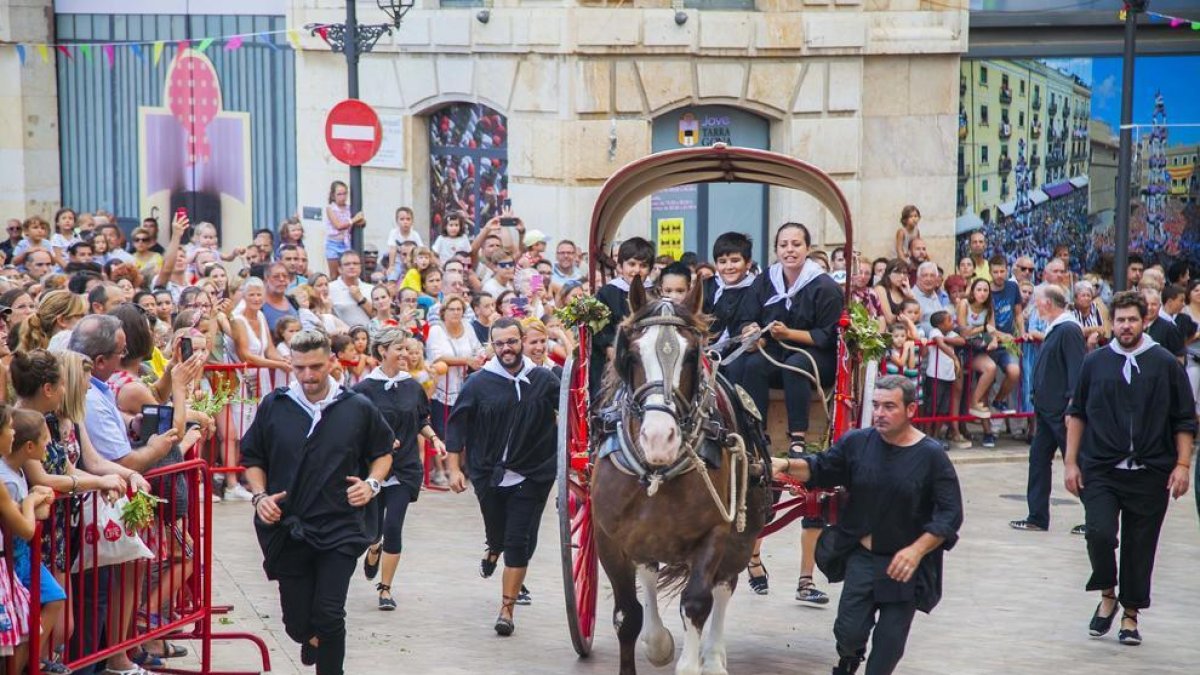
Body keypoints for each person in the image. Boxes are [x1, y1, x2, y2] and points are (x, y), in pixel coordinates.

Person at [771, 375, 963, 675]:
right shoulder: (857, 442)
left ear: (911, 410)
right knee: (848, 632)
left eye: (889, 406)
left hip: (903, 566)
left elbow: (950, 514)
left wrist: (915, 551)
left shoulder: (932, 456)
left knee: (888, 646)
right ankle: (849, 660)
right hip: (862, 557)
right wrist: (783, 465)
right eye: (876, 406)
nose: (879, 413)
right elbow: (820, 467)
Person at [242, 330, 394, 675]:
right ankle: (310, 638)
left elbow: (383, 453)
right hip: (289, 526)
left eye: (316, 367)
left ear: (332, 363)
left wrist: (371, 484)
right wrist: (260, 496)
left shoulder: (357, 407)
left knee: (329, 612)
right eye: (300, 368)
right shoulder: (276, 405)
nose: (308, 376)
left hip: (341, 525)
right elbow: (253, 457)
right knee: (297, 621)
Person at [1064, 291, 1194, 647]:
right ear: (1112, 323)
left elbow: (1183, 419)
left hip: (1150, 470)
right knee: (1099, 533)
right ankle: (1108, 592)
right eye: (1120, 320)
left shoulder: (1165, 363)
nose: (1125, 326)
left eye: (1132, 320)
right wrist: (1070, 462)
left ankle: (1131, 614)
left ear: (1144, 321)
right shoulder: (1095, 362)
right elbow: (1077, 413)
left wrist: (1182, 464)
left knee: (1140, 544)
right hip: (1102, 468)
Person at [445, 317, 560, 636]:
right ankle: (492, 547)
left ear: (523, 340)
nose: (506, 349)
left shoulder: (543, 379)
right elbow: (456, 425)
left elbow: (570, 414)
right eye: (499, 344)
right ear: (492, 346)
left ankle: (506, 609)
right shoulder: (479, 383)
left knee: (518, 540)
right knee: (497, 530)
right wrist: (455, 468)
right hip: (488, 474)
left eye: (512, 342)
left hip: (532, 473)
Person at [355, 327, 444, 611]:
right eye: (399, 349)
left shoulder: (412, 386)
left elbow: (420, 419)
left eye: (407, 349)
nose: (406, 354)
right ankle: (373, 545)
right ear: (382, 351)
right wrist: (377, 440)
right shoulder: (363, 389)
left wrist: (434, 438)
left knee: (394, 526)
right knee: (373, 529)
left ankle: (385, 589)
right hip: (373, 469)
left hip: (405, 467)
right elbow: (355, 428)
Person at [1009, 284, 1085, 532]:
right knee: (1038, 460)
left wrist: (1072, 407)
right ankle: (1037, 516)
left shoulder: (1069, 329)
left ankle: (1096, 515)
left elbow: (1076, 369)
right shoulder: (1056, 329)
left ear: (1048, 303)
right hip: (1046, 410)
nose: (1034, 306)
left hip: (1060, 411)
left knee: (1077, 460)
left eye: (1038, 301)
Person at [591, 237, 654, 395]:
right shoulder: (608, 293)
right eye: (632, 264)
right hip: (613, 353)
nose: (637, 270)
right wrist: (613, 351)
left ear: (650, 269)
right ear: (620, 266)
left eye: (643, 265)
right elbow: (601, 329)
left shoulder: (654, 293)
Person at [703, 232, 757, 347]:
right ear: (715, 265)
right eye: (722, 262)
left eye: (735, 261)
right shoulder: (707, 287)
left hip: (742, 351)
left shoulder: (757, 289)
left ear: (748, 263)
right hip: (706, 350)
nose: (729, 267)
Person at [324, 180, 365, 277]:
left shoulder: (349, 208)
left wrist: (361, 220)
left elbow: (360, 221)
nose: (343, 197)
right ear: (333, 196)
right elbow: (338, 226)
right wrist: (354, 220)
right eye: (339, 194)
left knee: (347, 272)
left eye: (345, 194)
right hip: (333, 243)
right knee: (334, 274)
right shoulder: (331, 208)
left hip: (346, 242)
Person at [328, 251, 375, 328]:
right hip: (343, 337)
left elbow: (377, 316)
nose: (352, 267)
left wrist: (360, 298)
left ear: (360, 267)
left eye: (355, 263)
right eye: (347, 264)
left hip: (368, 337)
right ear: (340, 269)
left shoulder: (371, 289)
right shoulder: (330, 288)